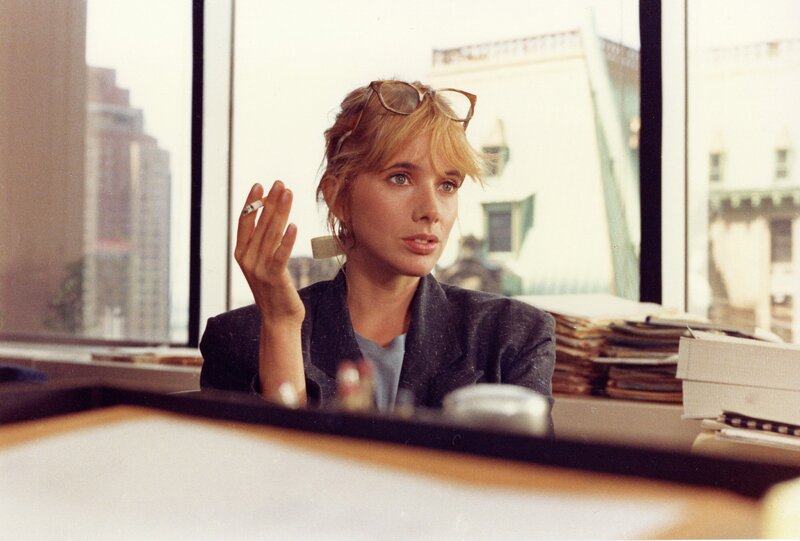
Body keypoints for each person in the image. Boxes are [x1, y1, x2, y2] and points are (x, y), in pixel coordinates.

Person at [199, 79, 555, 413]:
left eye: (447, 185)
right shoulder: (239, 339)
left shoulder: (513, 335)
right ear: (337, 196)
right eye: (400, 178)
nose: (432, 210)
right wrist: (280, 326)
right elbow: (271, 459)